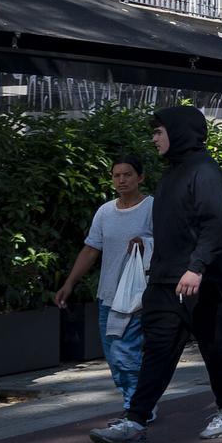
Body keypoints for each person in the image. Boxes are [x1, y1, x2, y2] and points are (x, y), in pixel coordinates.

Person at [89, 106, 222, 443]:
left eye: (159, 131)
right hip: (163, 281)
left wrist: (197, 267)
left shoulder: (205, 172)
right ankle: (135, 421)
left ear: (179, 132)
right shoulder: (172, 173)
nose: (154, 138)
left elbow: (213, 225)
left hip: (199, 280)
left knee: (215, 346)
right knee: (157, 351)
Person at [55, 155, 154, 421]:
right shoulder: (105, 211)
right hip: (108, 295)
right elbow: (91, 250)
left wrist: (146, 244)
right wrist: (69, 283)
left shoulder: (152, 208)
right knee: (114, 356)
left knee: (125, 353)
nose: (121, 180)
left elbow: (169, 244)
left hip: (136, 296)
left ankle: (138, 409)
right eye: (116, 175)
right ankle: (135, 403)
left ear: (140, 177)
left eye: (128, 174)